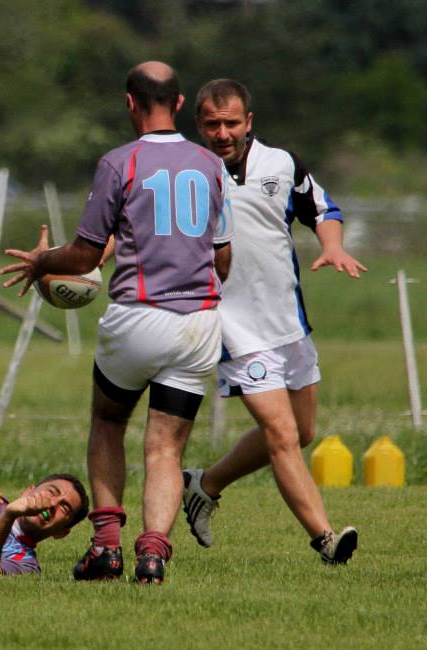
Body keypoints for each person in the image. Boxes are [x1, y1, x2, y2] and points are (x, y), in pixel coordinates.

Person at [1, 61, 232, 584]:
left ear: (130, 102)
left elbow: (84, 257)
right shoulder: (210, 165)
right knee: (166, 447)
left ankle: (106, 546)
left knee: (109, 421)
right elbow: (224, 261)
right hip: (198, 324)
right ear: (178, 104)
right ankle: (153, 552)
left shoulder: (118, 163)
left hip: (137, 319)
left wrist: (42, 262)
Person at [181, 79, 365, 564]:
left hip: (288, 323)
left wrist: (331, 245)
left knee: (302, 431)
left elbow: (323, 209)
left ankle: (205, 484)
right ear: (198, 125)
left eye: (231, 123)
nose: (222, 133)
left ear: (249, 122)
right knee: (282, 436)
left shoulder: (281, 165)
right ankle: (326, 540)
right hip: (234, 329)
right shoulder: (189, 174)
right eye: (211, 124)